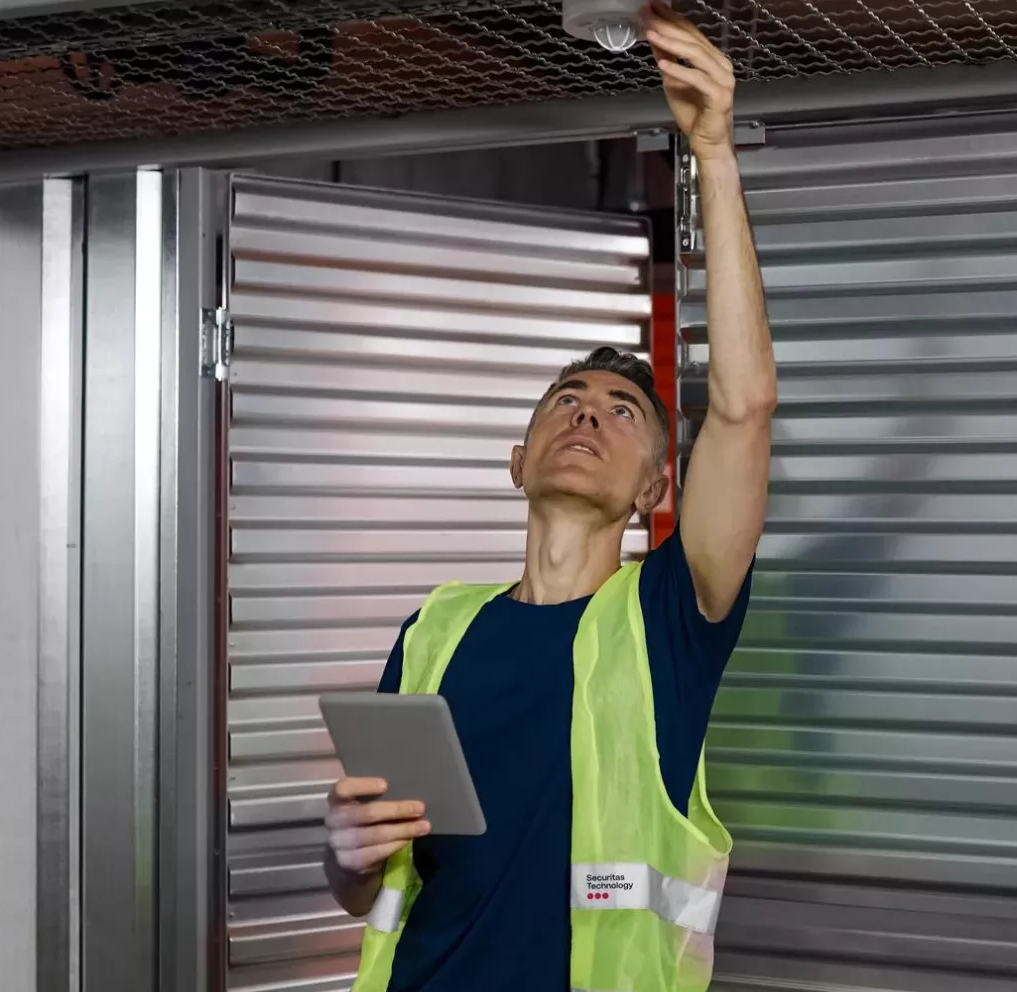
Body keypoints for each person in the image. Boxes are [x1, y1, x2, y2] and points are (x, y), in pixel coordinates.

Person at [318, 4, 774, 990]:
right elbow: (373, 887)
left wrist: (712, 153)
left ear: (658, 487)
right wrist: (347, 848)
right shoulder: (433, 629)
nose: (585, 414)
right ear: (516, 458)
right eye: (565, 400)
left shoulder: (668, 620)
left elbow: (741, 411)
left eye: (620, 409)